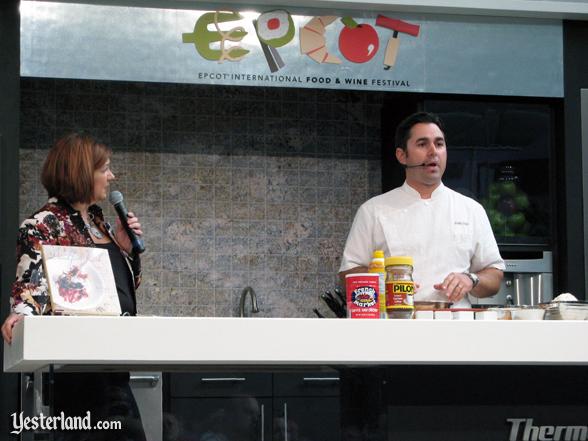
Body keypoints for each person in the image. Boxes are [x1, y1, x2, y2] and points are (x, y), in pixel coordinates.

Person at [1, 132, 146, 440]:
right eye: (104, 168)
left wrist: (125, 249)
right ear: (82, 172)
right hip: (78, 373)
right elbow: (31, 287)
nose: (111, 176)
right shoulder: (43, 224)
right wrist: (22, 313)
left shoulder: (99, 223)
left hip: (114, 367)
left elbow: (123, 289)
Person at [339, 112, 505, 307]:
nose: (433, 151)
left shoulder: (471, 209)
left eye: (439, 144)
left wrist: (471, 279)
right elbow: (348, 273)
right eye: (422, 144)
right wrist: (383, 281)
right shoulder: (374, 210)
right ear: (402, 156)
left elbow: (494, 276)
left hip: (455, 324)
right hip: (396, 323)